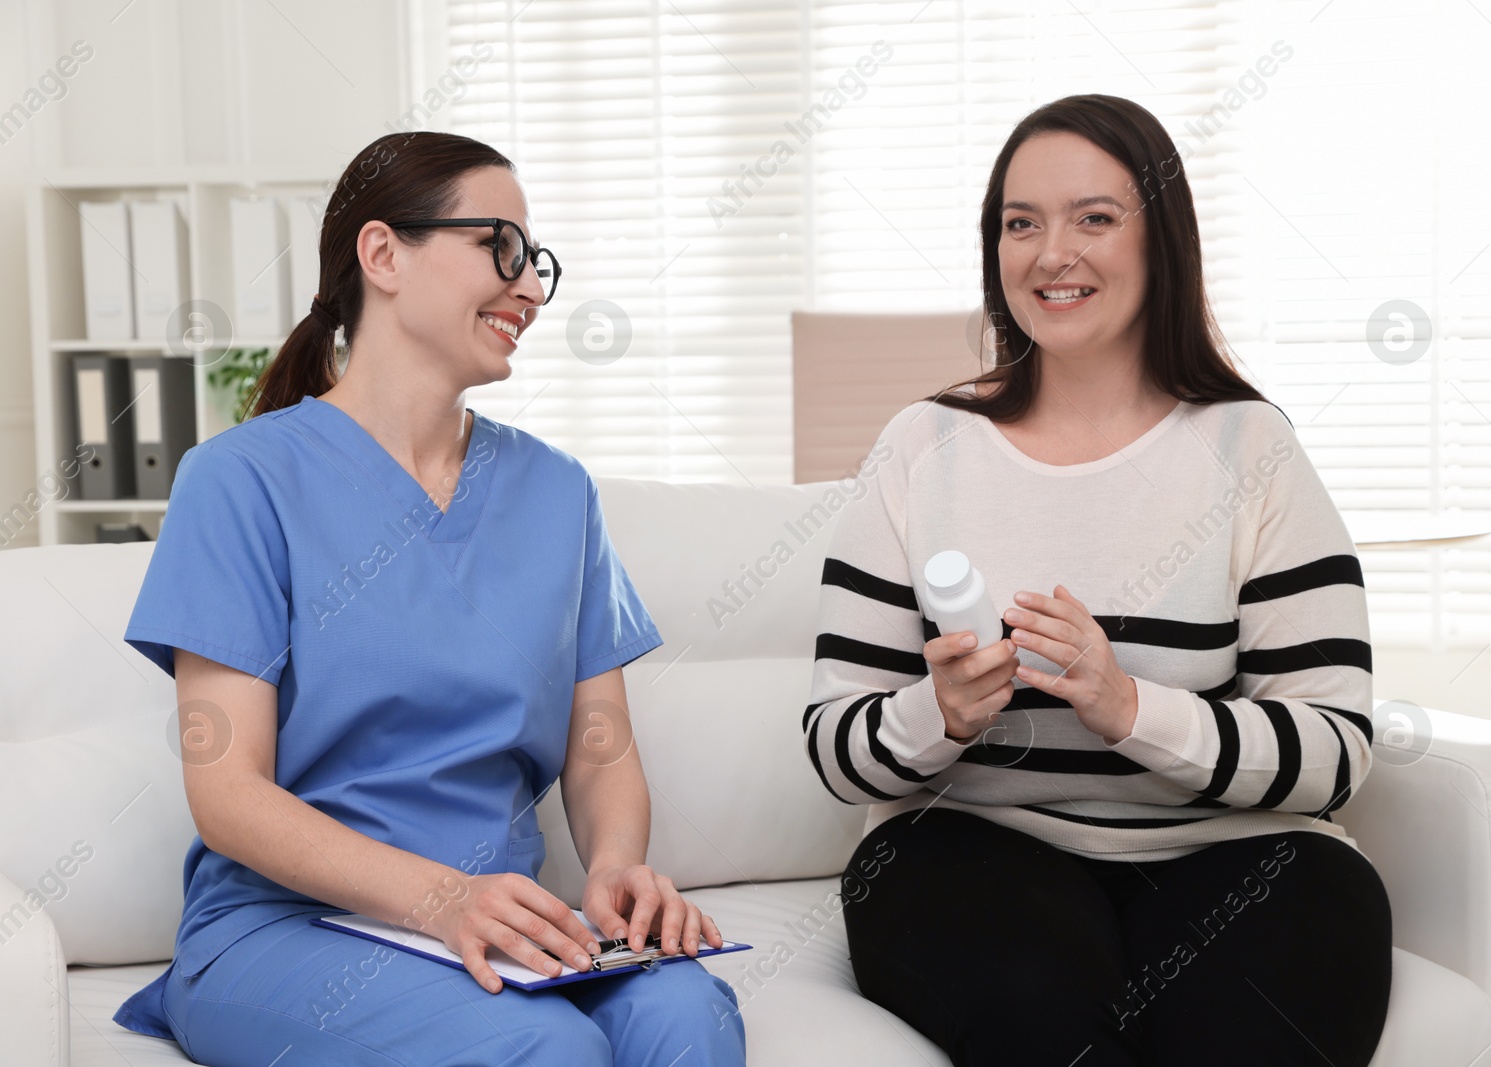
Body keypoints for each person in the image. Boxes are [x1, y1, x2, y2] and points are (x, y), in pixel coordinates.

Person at [111, 131, 746, 1067]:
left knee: (688, 1015)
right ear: (383, 255)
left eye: (538, 264)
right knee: (546, 1050)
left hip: (499, 925)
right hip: (290, 929)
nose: (530, 290)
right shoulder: (239, 482)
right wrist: (445, 899)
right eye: (503, 248)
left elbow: (599, 746)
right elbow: (228, 795)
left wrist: (615, 868)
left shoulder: (557, 492)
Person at [805, 95, 1391, 1066]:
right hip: (975, 846)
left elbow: (1336, 747)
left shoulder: (1252, 448)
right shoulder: (922, 448)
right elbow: (835, 746)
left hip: (1243, 851)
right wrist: (939, 713)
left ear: (1162, 241)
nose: (1050, 253)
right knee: (1041, 1022)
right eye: (1019, 223)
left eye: (1094, 218)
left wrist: (1128, 706)